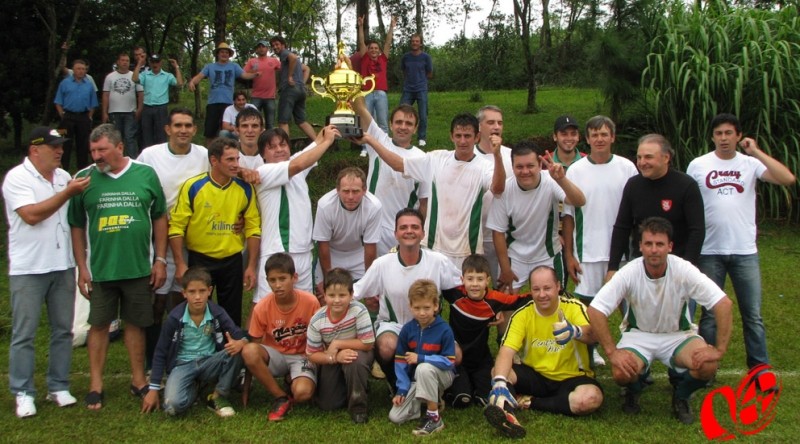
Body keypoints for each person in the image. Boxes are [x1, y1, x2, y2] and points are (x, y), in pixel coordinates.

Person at [587, 217, 733, 424]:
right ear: (640, 246)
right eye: (648, 244)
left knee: (708, 365)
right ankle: (634, 390)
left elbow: (723, 304)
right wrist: (612, 352)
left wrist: (719, 350)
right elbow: (596, 310)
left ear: (670, 246)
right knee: (620, 372)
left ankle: (681, 396)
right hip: (639, 335)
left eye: (659, 244)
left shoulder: (683, 269)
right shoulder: (629, 271)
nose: (654, 250)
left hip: (678, 335)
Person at [68, 124, 168, 409]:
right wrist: (81, 267)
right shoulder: (83, 178)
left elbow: (160, 217)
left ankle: (138, 380)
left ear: (120, 147)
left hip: (138, 267)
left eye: (102, 150)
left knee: (135, 324)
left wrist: (160, 260)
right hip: (101, 270)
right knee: (98, 325)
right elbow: (76, 225)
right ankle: (95, 384)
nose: (97, 156)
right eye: (93, 151)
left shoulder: (145, 174)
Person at [687, 113, 796, 369]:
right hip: (709, 250)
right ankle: (706, 368)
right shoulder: (698, 165)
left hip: (744, 251)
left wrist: (755, 151)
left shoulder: (750, 163)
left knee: (752, 315)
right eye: (718, 133)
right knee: (710, 314)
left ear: (738, 136)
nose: (723, 138)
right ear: (712, 137)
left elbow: (787, 178)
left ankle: (759, 368)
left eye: (728, 133)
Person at [2, 127, 91, 417]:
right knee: (24, 333)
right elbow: (30, 215)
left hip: (62, 265)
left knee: (63, 330)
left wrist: (79, 265)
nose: (60, 151)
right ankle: (23, 392)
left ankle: (58, 386)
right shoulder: (17, 177)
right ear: (34, 150)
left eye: (61, 146)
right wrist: (67, 193)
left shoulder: (63, 177)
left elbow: (74, 221)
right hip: (28, 268)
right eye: (53, 147)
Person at [363, 112, 506, 269]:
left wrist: (497, 155)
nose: (462, 141)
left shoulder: (485, 166)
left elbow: (498, 189)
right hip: (433, 247)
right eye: (458, 136)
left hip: (468, 250)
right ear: (451, 136)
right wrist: (371, 140)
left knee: (466, 287)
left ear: (477, 137)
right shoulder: (436, 159)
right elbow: (399, 164)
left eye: (467, 136)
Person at [484, 266, 602, 439]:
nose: (542, 294)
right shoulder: (522, 314)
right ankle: (508, 415)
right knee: (498, 372)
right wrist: (500, 383)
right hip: (536, 375)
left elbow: (593, 335)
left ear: (558, 286)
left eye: (547, 288)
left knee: (590, 399)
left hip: (572, 377)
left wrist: (575, 331)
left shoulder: (574, 307)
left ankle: (528, 401)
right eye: (536, 289)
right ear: (530, 290)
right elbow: (506, 351)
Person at [353, 208, 461, 390]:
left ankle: (433, 385)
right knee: (387, 346)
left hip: (430, 326)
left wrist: (488, 308)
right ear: (395, 234)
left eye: (414, 227)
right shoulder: (382, 264)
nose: (409, 231)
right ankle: (395, 383)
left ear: (423, 233)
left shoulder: (438, 261)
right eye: (403, 227)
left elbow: (462, 289)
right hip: (393, 325)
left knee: (456, 354)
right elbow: (355, 293)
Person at [562, 115, 637, 367]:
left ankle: (633, 347)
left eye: (604, 134)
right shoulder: (576, 170)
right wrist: (569, 255)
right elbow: (568, 216)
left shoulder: (627, 167)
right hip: (587, 251)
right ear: (587, 139)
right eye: (595, 135)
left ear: (612, 137)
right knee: (587, 305)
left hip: (621, 253)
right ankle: (591, 350)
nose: (600, 139)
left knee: (628, 305)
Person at [137, 108, 209, 366]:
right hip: (162, 238)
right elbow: (137, 187)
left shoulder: (204, 155)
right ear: (167, 129)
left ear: (194, 129)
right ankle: (152, 359)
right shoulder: (150, 156)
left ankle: (183, 352)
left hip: (196, 239)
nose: (183, 130)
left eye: (188, 125)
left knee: (185, 298)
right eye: (178, 125)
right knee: (157, 298)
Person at [168, 138, 261, 326]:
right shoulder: (193, 186)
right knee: (198, 311)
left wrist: (251, 266)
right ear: (214, 161)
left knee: (231, 316)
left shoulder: (244, 188)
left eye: (237, 159)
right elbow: (177, 226)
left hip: (232, 260)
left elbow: (253, 228)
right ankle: (200, 344)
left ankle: (230, 344)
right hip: (200, 260)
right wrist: (180, 263)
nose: (236, 165)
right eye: (230, 160)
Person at [141, 267, 248, 417]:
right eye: (192, 292)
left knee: (239, 350)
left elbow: (239, 333)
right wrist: (153, 389)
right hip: (182, 365)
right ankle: (196, 387)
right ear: (184, 293)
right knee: (173, 407)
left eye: (202, 291)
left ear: (209, 291)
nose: (197, 297)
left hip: (210, 361)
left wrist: (241, 342)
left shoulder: (217, 312)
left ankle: (218, 396)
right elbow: (160, 352)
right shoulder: (174, 318)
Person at [252, 125, 340, 299]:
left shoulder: (295, 164)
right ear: (263, 154)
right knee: (265, 305)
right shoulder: (263, 172)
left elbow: (310, 150)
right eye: (272, 147)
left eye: (283, 144)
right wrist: (328, 142)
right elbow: (299, 164)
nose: (279, 149)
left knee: (304, 303)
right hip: (277, 250)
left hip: (304, 251)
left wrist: (325, 134)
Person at [488, 141, 585, 292]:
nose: (525, 171)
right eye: (519, 167)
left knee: (554, 300)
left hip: (548, 255)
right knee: (505, 300)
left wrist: (561, 179)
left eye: (530, 166)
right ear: (512, 167)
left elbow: (579, 201)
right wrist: (505, 269)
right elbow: (498, 232)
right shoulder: (505, 190)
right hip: (515, 257)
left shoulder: (551, 180)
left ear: (540, 165)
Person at [606, 134, 705, 281]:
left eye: (648, 157)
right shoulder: (633, 185)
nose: (642, 162)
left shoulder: (686, 185)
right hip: (640, 265)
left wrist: (688, 267)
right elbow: (622, 227)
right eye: (639, 157)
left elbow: (697, 230)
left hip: (678, 265)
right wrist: (613, 267)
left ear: (666, 158)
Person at [439, 255, 531, 408]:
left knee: (485, 399)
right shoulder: (454, 294)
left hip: (480, 359)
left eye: (480, 279)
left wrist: (556, 293)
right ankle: (460, 388)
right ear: (462, 279)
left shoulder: (494, 299)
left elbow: (519, 300)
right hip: (457, 359)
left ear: (487, 280)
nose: (475, 284)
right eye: (470, 279)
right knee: (462, 400)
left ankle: (476, 387)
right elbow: (434, 282)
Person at [242, 253, 320, 421]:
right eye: (272, 280)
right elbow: (255, 344)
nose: (277, 285)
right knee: (249, 351)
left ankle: (293, 380)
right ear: (267, 281)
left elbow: (320, 336)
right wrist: (248, 382)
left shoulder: (311, 302)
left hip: (302, 355)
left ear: (294, 278)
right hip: (275, 356)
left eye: (282, 279)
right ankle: (281, 397)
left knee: (302, 393)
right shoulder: (261, 307)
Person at [351, 97, 426, 256]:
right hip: (371, 225)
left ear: (415, 128)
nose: (403, 127)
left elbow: (424, 203)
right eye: (398, 122)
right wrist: (355, 86)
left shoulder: (422, 158)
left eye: (409, 123)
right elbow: (360, 109)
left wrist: (420, 233)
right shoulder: (380, 139)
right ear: (391, 125)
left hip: (402, 231)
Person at [306, 268, 375, 423]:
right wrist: (336, 357)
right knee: (328, 404)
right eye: (331, 295)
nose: (337, 300)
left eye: (342, 295)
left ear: (351, 295)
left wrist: (338, 344)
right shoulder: (317, 320)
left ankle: (358, 407)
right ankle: (352, 386)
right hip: (332, 356)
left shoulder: (359, 310)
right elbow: (312, 354)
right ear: (324, 295)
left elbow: (368, 343)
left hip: (359, 350)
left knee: (353, 360)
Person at [389, 279, 456, 436]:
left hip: (443, 375)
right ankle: (426, 400)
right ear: (410, 307)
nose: (422, 313)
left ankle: (434, 418)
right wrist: (402, 389)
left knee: (423, 368)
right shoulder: (407, 330)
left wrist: (422, 358)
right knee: (395, 417)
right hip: (417, 379)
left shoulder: (444, 329)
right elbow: (400, 361)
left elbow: (449, 362)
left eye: (426, 308)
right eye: (417, 308)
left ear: (436, 306)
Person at [313, 167, 382, 287]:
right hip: (331, 252)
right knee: (325, 293)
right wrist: (327, 280)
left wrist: (369, 283)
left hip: (359, 253)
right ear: (337, 190)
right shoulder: (325, 205)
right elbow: (323, 244)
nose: (350, 197)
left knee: (371, 292)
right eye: (345, 191)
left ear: (364, 190)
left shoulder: (374, 206)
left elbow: (370, 246)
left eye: (355, 191)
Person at [188, 42, 259, 146]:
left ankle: (227, 151)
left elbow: (244, 75)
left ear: (229, 55)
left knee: (226, 130)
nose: (224, 54)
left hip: (228, 103)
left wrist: (255, 74)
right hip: (213, 102)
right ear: (218, 54)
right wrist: (192, 82)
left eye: (226, 52)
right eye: (222, 52)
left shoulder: (234, 66)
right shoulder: (210, 66)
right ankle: (209, 152)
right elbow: (199, 76)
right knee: (210, 132)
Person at [474, 105, 513, 286]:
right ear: (479, 126)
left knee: (503, 288)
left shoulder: (511, 156)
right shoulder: (469, 155)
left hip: (503, 235)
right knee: (475, 287)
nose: (496, 127)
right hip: (475, 234)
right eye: (491, 122)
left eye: (500, 123)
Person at [269, 36, 317, 140]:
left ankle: (285, 147)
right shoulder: (290, 60)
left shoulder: (285, 53)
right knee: (301, 121)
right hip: (300, 91)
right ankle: (319, 144)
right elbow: (307, 69)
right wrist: (302, 83)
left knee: (283, 121)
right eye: (273, 45)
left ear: (283, 45)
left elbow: (293, 58)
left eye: (277, 44)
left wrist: (290, 76)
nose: (275, 47)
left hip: (289, 90)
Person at [54, 59, 98, 170]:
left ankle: (82, 170)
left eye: (83, 69)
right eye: (78, 69)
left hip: (83, 117)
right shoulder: (65, 83)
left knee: (83, 145)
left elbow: (93, 104)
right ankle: (63, 170)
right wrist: (62, 115)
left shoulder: (89, 85)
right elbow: (58, 101)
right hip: (68, 116)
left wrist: (89, 116)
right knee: (65, 144)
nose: (81, 71)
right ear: (73, 70)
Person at [133, 54, 184, 148]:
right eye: (153, 62)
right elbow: (134, 79)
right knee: (147, 134)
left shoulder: (167, 75)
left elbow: (179, 83)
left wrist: (176, 67)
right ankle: (148, 154)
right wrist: (139, 64)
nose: (155, 64)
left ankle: (161, 154)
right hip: (147, 108)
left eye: (157, 62)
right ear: (150, 63)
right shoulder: (145, 74)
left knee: (161, 134)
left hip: (161, 108)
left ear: (160, 63)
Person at [357, 15, 396, 136]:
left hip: (380, 93)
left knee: (383, 122)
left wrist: (391, 27)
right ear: (368, 50)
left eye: (376, 48)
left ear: (379, 50)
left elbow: (388, 43)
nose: (373, 50)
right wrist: (360, 26)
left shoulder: (383, 59)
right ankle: (366, 145)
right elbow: (361, 42)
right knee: (367, 123)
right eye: (371, 48)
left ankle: (384, 144)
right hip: (367, 93)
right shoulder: (365, 59)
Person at [102, 52, 143, 157]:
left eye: (127, 61)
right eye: (123, 60)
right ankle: (116, 158)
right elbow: (105, 95)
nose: (125, 63)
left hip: (130, 112)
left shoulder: (134, 75)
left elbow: (140, 93)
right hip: (114, 112)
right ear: (118, 62)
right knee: (116, 138)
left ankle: (132, 159)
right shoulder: (110, 77)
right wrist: (104, 112)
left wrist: (139, 109)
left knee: (130, 137)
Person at [399, 34, 433, 146]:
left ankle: (421, 138)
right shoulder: (405, 57)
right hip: (408, 89)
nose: (415, 43)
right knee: (402, 112)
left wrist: (421, 80)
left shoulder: (426, 57)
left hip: (421, 89)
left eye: (417, 41)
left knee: (422, 115)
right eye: (413, 41)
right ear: (411, 43)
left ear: (421, 43)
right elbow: (404, 71)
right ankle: (403, 135)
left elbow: (429, 73)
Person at [244, 40, 281, 129]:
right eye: (259, 47)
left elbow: (283, 70)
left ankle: (269, 138)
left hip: (270, 97)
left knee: (270, 124)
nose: (261, 49)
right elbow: (243, 73)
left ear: (267, 49)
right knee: (253, 121)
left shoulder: (274, 60)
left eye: (263, 46)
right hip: (256, 96)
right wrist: (253, 73)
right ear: (256, 49)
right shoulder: (252, 61)